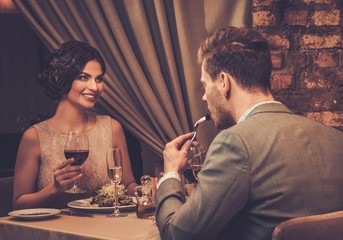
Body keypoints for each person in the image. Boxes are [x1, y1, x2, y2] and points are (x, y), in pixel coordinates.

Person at [155, 26, 343, 240]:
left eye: (205, 85)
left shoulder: (234, 143)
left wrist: (170, 172)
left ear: (224, 82)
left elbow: (176, 235)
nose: (204, 98)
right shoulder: (336, 139)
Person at [13, 40, 137, 210]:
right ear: (59, 78)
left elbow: (127, 184)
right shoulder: (34, 136)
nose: (94, 87)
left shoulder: (112, 128)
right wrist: (54, 189)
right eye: (83, 77)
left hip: (104, 230)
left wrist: (146, 190)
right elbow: (18, 205)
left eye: (99, 79)